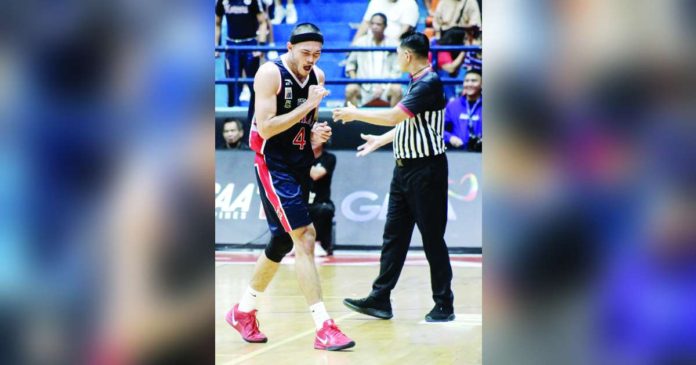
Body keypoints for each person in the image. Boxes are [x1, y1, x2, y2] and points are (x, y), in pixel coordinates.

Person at [226, 23, 355, 351]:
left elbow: (304, 128)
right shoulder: (270, 74)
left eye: (317, 53)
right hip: (273, 164)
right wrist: (304, 106)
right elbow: (267, 128)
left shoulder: (318, 78)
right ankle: (323, 325)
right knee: (306, 236)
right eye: (305, 53)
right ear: (289, 47)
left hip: (298, 162)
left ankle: (243, 311)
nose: (311, 59)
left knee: (282, 241)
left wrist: (316, 137)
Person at [333, 31, 455, 322]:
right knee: (394, 237)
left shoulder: (429, 82)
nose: (396, 58)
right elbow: (409, 124)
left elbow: (392, 116)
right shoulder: (417, 81)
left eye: (398, 53)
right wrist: (380, 141)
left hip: (426, 170)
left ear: (408, 55)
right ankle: (380, 298)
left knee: (432, 239)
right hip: (404, 170)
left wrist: (355, 113)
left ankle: (444, 304)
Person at [215, 0, 270, 106]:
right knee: (232, 86)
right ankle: (232, 120)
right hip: (230, 47)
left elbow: (263, 22)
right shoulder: (222, 1)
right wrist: (216, 45)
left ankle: (257, 118)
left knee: (254, 85)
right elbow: (217, 23)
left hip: (250, 46)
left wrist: (261, 46)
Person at [345, 13, 403, 107]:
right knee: (350, 89)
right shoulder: (361, 42)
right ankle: (354, 121)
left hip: (386, 87)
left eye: (378, 24)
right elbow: (350, 65)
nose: (375, 27)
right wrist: (355, 80)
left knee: (397, 89)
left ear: (385, 26)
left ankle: (394, 121)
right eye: (372, 24)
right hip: (364, 87)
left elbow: (396, 70)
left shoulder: (394, 44)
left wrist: (383, 87)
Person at [308, 141, 336, 256]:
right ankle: (294, 244)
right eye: (311, 138)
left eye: (316, 138)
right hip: (302, 200)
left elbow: (316, 174)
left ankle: (317, 244)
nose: (313, 141)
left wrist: (297, 162)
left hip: (321, 201)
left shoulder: (329, 158)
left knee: (325, 210)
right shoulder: (302, 156)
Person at [444, 69, 482, 151]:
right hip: (457, 153)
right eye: (467, 81)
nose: (469, 84)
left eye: (474, 81)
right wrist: (450, 138)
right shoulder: (452, 105)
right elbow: (438, 130)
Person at [352, 0, 419, 44]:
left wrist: (389, 43)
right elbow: (365, 24)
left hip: (396, 45)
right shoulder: (375, 1)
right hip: (371, 43)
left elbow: (406, 29)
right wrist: (353, 45)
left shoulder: (410, 3)